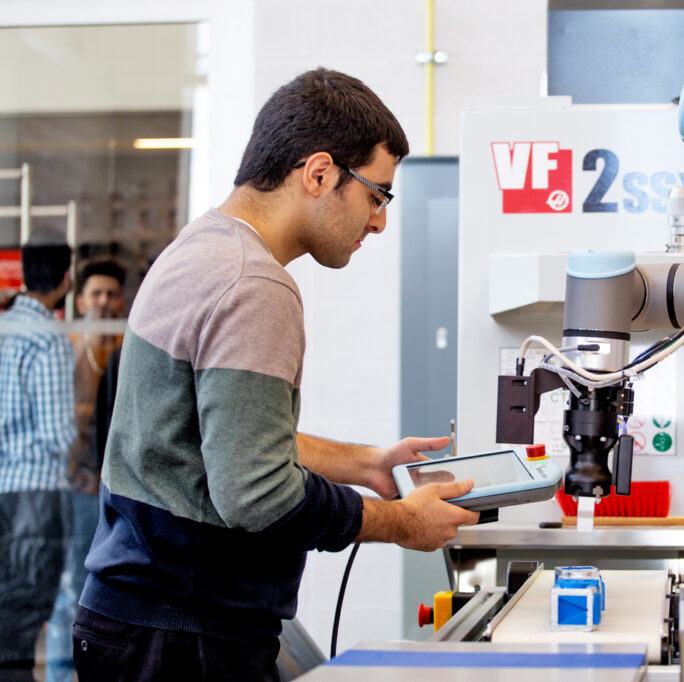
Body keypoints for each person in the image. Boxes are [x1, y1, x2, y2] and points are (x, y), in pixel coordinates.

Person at [73, 68, 479, 682]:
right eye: (377, 195)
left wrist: (364, 462)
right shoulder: (255, 285)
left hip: (140, 624)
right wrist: (403, 523)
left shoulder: (198, 249)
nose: (379, 223)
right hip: (184, 639)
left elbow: (223, 440)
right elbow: (258, 494)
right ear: (318, 174)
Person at [46, 256, 126, 682]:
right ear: (79, 299)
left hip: (123, 488)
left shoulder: (132, 343)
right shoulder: (67, 345)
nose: (103, 301)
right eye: (95, 293)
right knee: (71, 590)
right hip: (77, 487)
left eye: (111, 294)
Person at [0, 236, 76, 682]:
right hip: (36, 492)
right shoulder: (46, 336)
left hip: (5, 487)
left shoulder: (6, 327)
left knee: (8, 611)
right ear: (66, 278)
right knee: (27, 610)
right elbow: (57, 435)